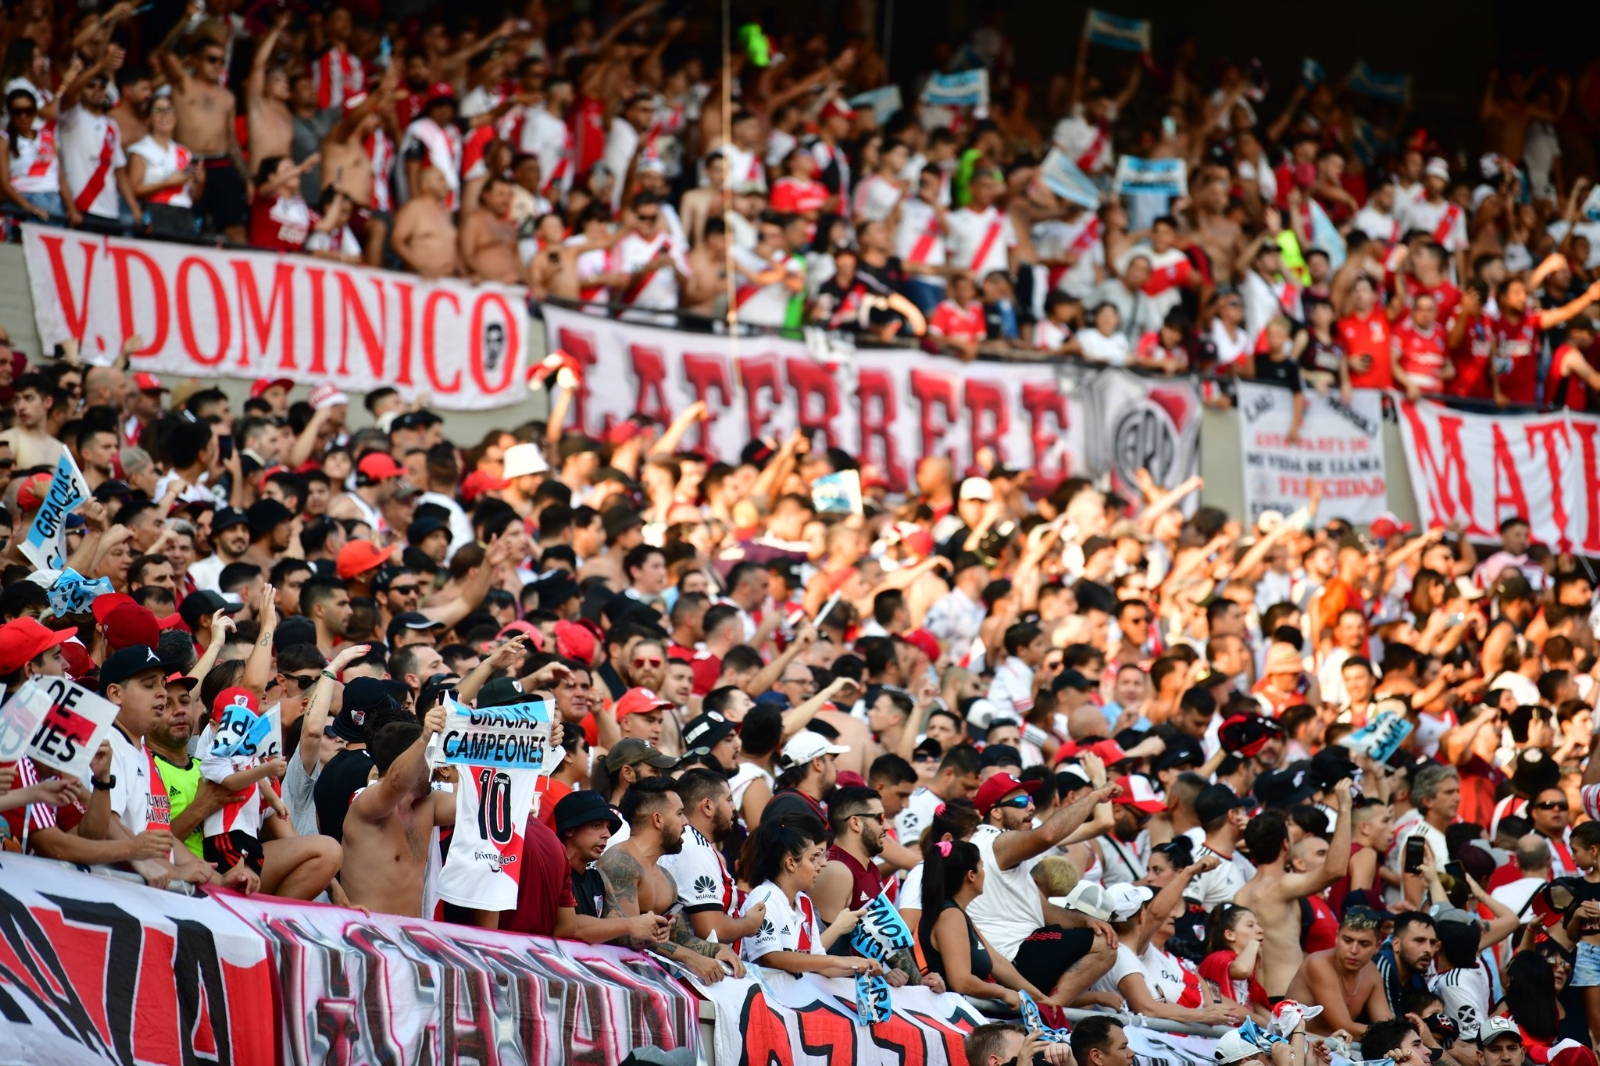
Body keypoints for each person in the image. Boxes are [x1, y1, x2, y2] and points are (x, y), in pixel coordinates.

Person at [963, 770, 1121, 1004]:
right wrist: (1095, 796)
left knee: (1098, 933)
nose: (1030, 808)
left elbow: (1045, 911)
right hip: (1010, 958)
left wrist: (1084, 920)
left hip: (1013, 955)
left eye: (1030, 801)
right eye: (1019, 802)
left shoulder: (1000, 846)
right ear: (995, 811)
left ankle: (1048, 1006)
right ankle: (1050, 1010)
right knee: (1104, 945)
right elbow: (1047, 835)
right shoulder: (996, 841)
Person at [594, 777, 744, 983]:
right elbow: (627, 936)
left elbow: (679, 937)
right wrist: (690, 957)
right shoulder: (620, 863)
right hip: (615, 983)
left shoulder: (666, 877)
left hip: (649, 985)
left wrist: (716, 949)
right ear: (657, 819)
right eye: (680, 814)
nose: (686, 822)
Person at [1235, 783, 1353, 995]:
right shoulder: (1281, 885)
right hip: (1287, 999)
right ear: (1286, 845)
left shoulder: (1241, 894)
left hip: (1264, 999)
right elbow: (1335, 870)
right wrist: (1344, 809)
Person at [735, 817, 885, 979]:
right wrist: (836, 960)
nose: (821, 865)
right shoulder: (764, 897)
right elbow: (772, 958)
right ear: (791, 863)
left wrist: (865, 968)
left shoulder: (804, 902)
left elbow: (819, 965)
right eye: (813, 859)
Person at [1285, 907, 1394, 1037]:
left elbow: (1386, 1023)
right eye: (1347, 941)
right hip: (1298, 1047)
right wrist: (1394, 1034)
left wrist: (1402, 1033)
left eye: (1364, 944)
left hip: (1339, 1049)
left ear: (1377, 947)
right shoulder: (1319, 964)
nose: (1353, 950)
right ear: (1337, 937)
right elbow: (1344, 1027)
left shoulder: (1371, 971)